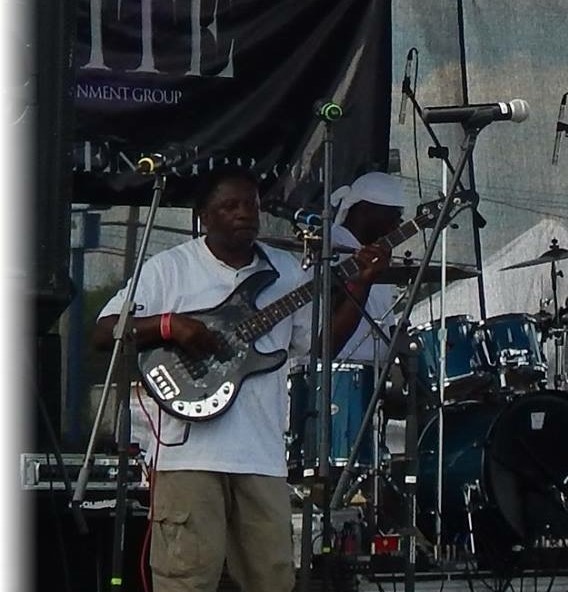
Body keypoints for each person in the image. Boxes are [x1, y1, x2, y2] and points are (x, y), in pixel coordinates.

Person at [93, 164, 391, 592]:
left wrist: (361, 284)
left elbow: (321, 346)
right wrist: (170, 326)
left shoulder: (287, 271)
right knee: (186, 580)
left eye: (250, 205)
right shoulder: (170, 269)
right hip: (188, 457)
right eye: (229, 206)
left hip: (261, 455)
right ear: (204, 216)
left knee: (273, 579)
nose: (243, 214)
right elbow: (105, 331)